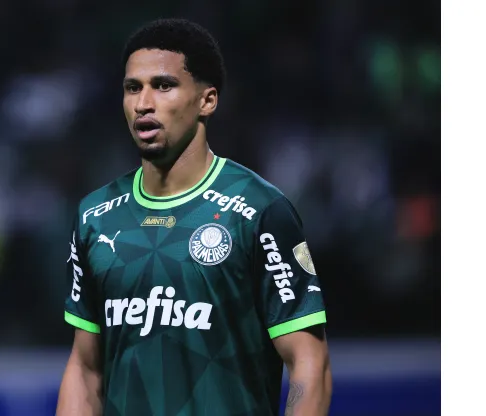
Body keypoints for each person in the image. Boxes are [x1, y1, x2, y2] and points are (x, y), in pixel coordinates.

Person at [56, 18, 331, 416]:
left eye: (163, 85)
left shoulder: (261, 211)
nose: (143, 103)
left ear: (208, 100)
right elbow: (85, 369)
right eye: (133, 87)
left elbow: (310, 364)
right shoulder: (94, 217)